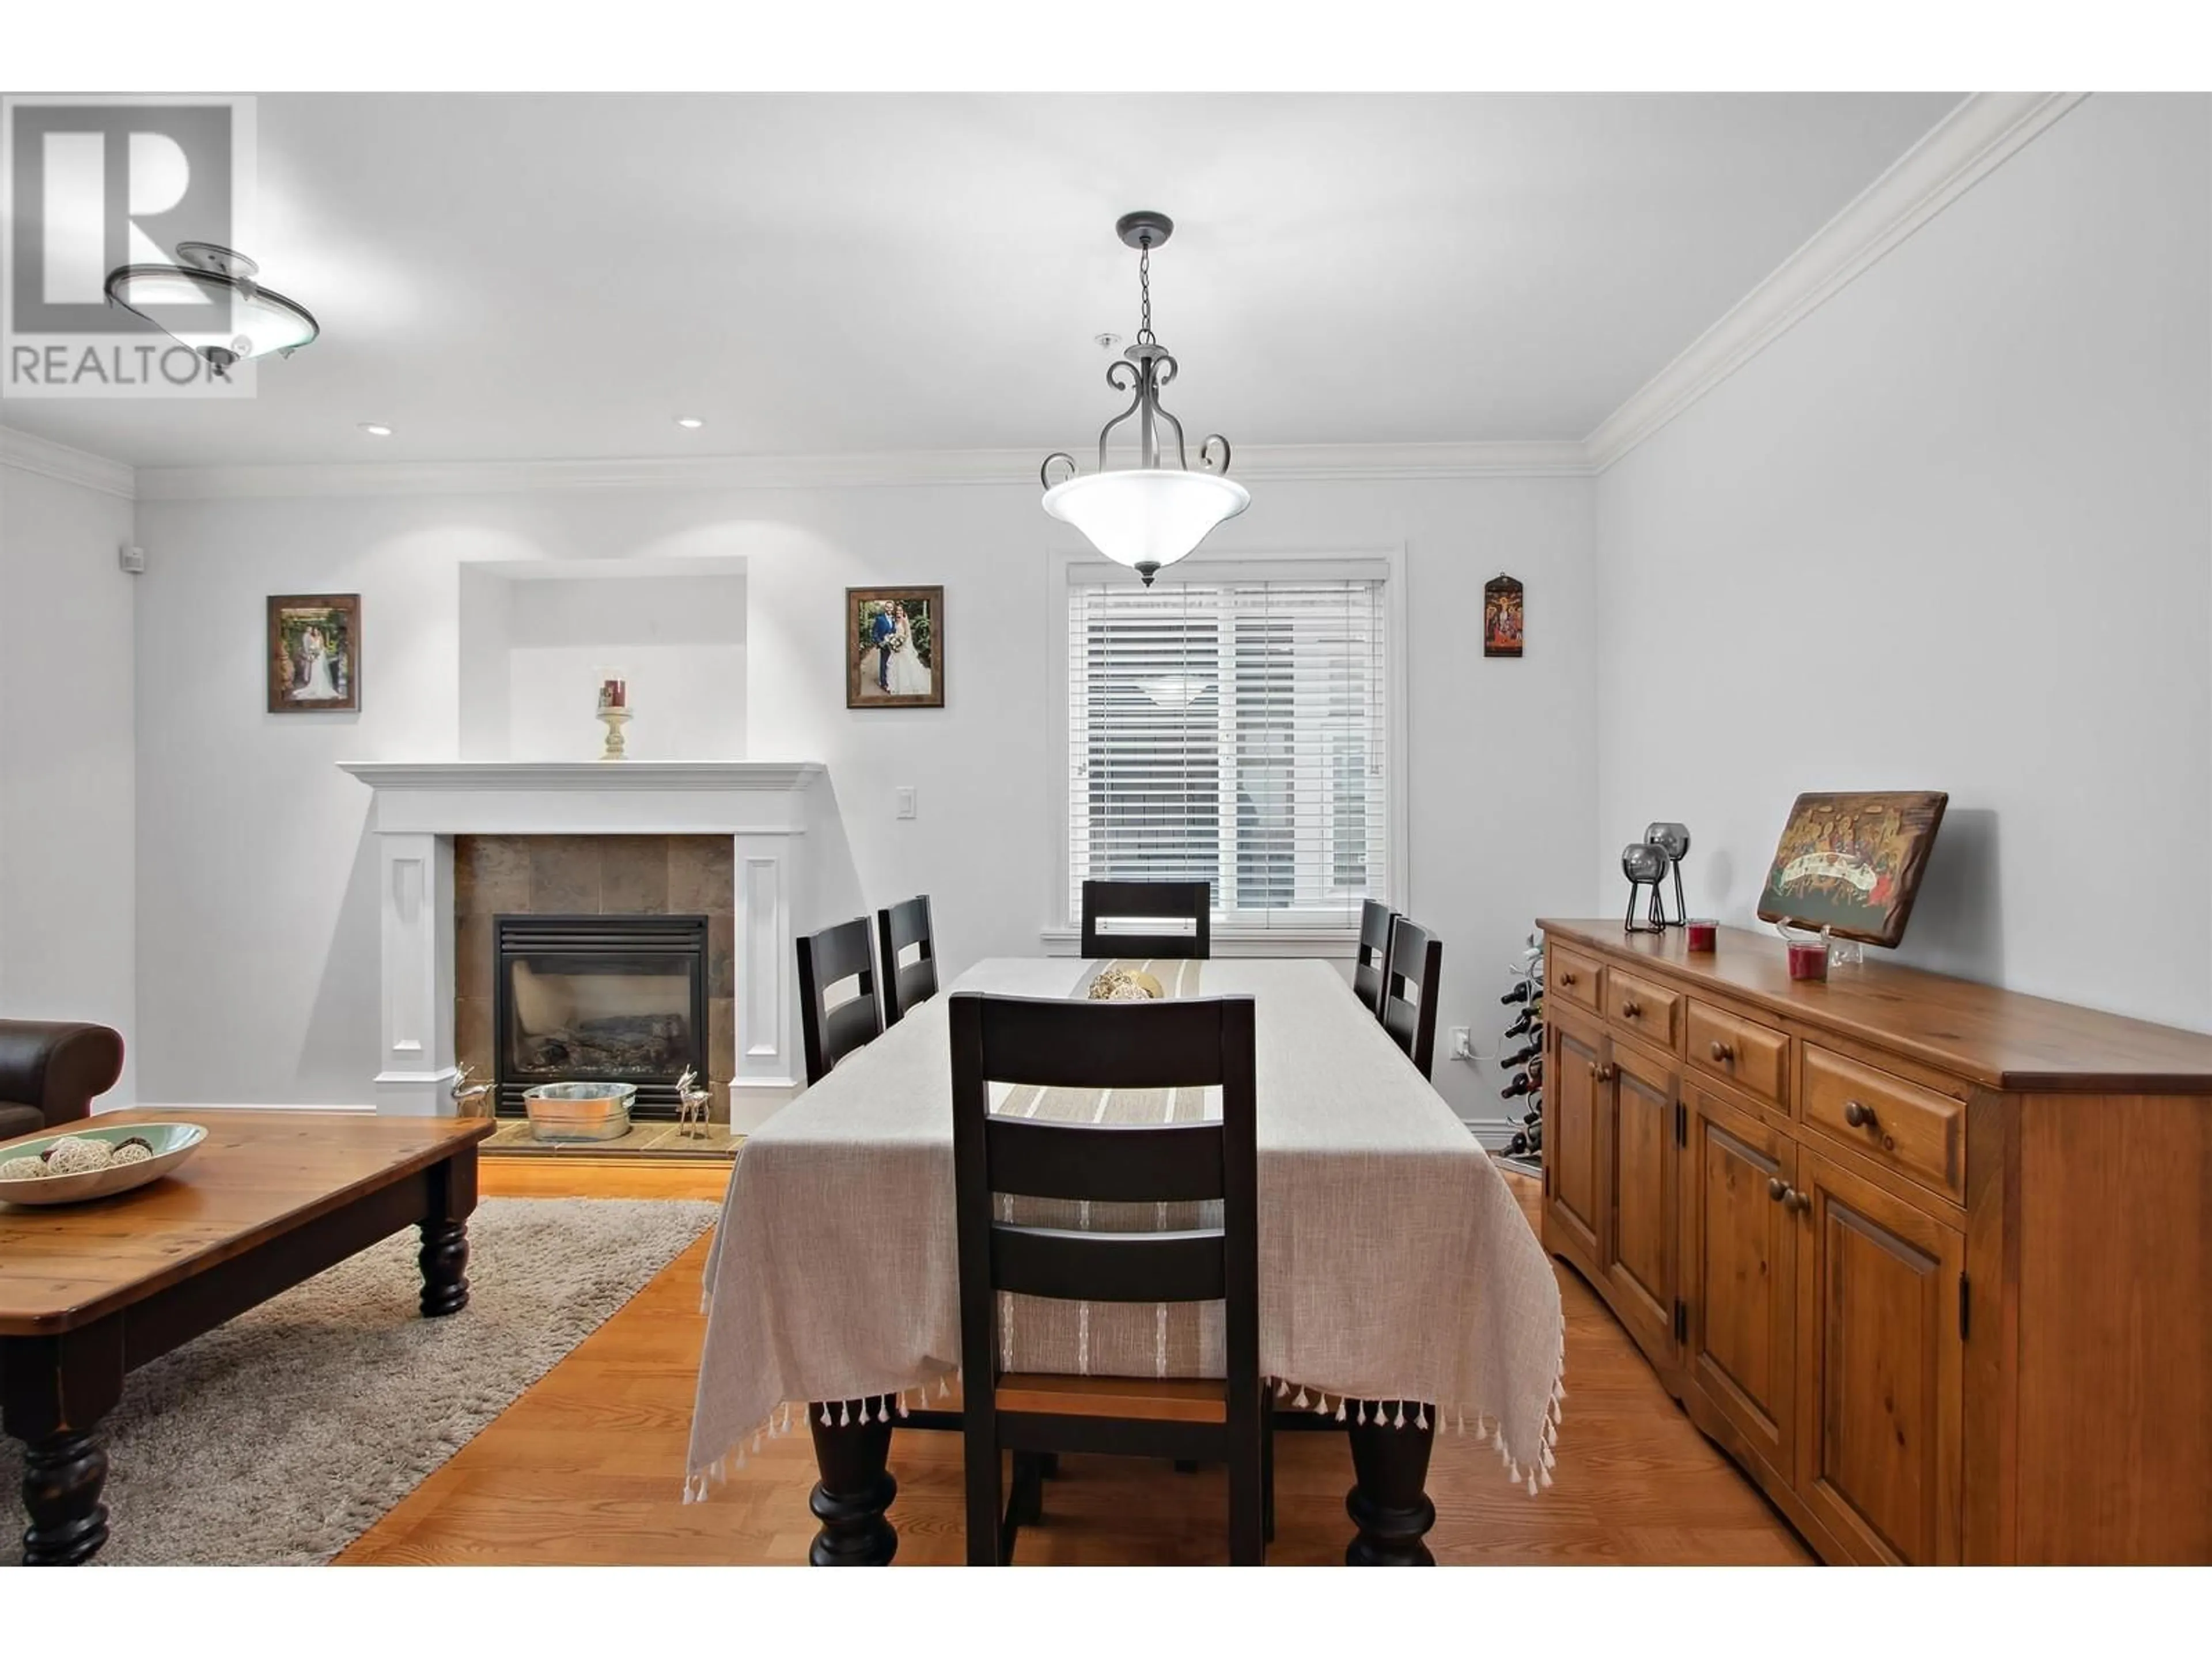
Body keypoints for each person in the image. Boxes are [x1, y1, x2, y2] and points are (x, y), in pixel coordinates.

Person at [886, 602, 932, 698]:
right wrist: (893, 642)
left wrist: (901, 644)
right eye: (897, 610)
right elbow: (894, 633)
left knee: (906, 666)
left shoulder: (904, 621)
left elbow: (907, 635)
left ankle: (907, 687)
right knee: (896, 667)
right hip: (896, 647)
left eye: (900, 610)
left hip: (903, 647)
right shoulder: (895, 621)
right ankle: (897, 686)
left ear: (903, 612)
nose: (899, 612)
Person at [294, 624, 342, 699]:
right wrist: (312, 653)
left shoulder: (320, 638)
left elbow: (322, 647)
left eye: (317, 630)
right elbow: (310, 647)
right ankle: (314, 685)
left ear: (319, 631)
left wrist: (318, 652)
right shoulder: (312, 637)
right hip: (314, 657)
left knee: (320, 671)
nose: (316, 632)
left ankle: (321, 686)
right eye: (315, 630)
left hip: (319, 657)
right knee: (314, 672)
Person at [868, 603, 898, 693]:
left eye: (891, 608)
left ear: (893, 609)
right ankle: (884, 683)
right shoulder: (880, 619)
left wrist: (896, 642)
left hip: (893, 645)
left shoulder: (894, 619)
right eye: (888, 607)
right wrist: (879, 642)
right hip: (884, 645)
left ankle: (891, 681)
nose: (889, 609)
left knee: (892, 664)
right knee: (884, 664)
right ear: (885, 608)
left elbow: (894, 631)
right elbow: (874, 632)